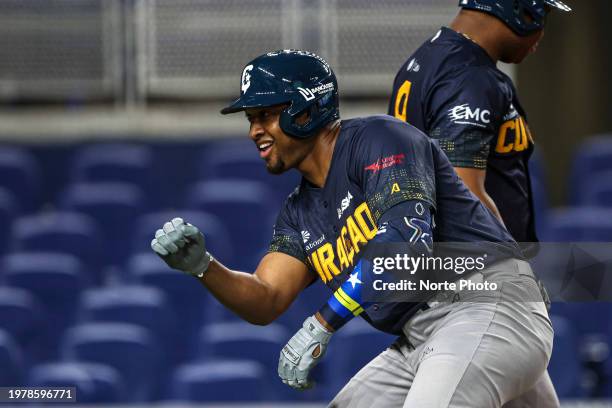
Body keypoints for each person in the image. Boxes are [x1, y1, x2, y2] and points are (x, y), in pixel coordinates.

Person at [151, 50, 554, 407]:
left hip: (486, 303)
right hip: (423, 335)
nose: (254, 130)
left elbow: (403, 245)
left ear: (305, 110)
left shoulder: (380, 139)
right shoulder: (299, 210)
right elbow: (267, 297)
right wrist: (204, 266)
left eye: (266, 115)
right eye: (252, 119)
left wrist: (322, 323)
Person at [388, 0, 571, 243]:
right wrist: (513, 267)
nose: (541, 34)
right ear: (519, 10)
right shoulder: (469, 77)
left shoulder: (428, 58)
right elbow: (465, 196)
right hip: (475, 267)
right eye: (543, 14)